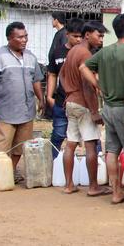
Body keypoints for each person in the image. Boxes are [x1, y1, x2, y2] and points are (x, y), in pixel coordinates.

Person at [82, 13, 124, 206]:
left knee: (112, 150)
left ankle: (116, 192)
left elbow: (83, 67)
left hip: (108, 108)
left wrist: (98, 85)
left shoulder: (104, 52)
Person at [0, 22, 44, 173]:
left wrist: (41, 99)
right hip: (6, 111)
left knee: (20, 146)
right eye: (20, 37)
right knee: (1, 147)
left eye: (25, 36)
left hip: (26, 110)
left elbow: (36, 80)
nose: (24, 40)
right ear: (9, 38)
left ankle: (10, 171)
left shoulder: (30, 57)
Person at [59, 21, 109, 196]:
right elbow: (87, 85)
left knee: (71, 144)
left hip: (70, 102)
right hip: (83, 103)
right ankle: (94, 187)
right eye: (99, 35)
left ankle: (68, 184)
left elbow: (62, 75)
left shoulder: (72, 51)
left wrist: (69, 90)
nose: (101, 40)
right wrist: (94, 111)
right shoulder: (85, 54)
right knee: (90, 145)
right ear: (87, 35)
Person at [45, 18, 83, 159]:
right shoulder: (58, 52)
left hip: (83, 103)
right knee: (58, 135)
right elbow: (52, 74)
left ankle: (96, 166)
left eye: (81, 36)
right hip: (61, 102)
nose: (78, 39)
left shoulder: (86, 52)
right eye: (75, 36)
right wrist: (49, 96)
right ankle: (53, 164)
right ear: (67, 34)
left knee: (90, 138)